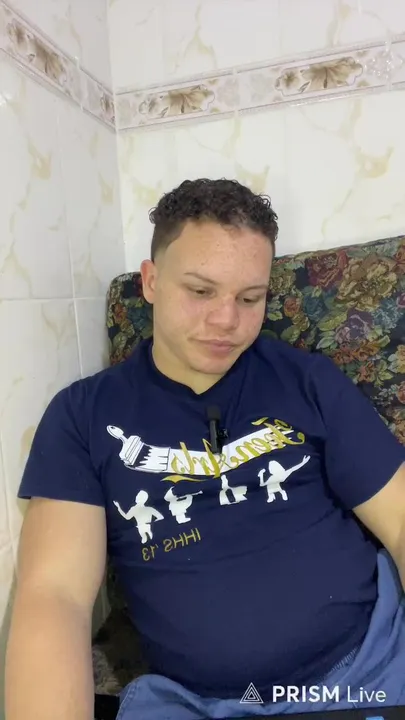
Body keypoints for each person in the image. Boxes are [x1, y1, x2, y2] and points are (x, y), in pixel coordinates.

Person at [5, 178, 405, 720]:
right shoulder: (83, 416)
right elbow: (55, 596)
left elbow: (400, 522)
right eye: (200, 291)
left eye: (250, 298)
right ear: (151, 282)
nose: (226, 321)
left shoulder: (308, 383)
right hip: (196, 705)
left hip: (367, 672)